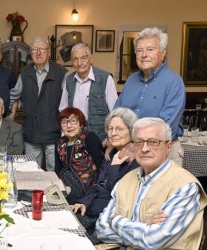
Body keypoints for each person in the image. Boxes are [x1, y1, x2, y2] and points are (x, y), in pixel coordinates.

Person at [95, 117, 207, 250]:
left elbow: (152, 239)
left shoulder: (185, 186)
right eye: (139, 142)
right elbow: (101, 229)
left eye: (153, 142)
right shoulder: (126, 180)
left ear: (168, 146)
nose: (145, 148)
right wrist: (142, 224)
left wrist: (116, 220)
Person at [113, 27, 185, 166]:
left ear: (162, 53)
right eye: (139, 50)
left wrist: (135, 145)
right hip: (129, 152)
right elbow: (117, 114)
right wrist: (114, 138)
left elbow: (165, 124)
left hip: (163, 153)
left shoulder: (174, 82)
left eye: (150, 49)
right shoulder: (131, 80)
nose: (144, 54)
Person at [71, 107, 139, 238]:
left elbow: (121, 196)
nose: (113, 133)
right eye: (110, 129)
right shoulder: (111, 153)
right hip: (91, 212)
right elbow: (98, 185)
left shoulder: (135, 160)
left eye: (119, 129)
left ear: (131, 131)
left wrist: (114, 167)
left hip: (107, 224)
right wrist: (84, 202)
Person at [10, 36, 68, 171]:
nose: (38, 52)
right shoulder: (25, 73)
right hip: (32, 132)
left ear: (48, 52)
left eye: (42, 49)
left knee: (54, 173)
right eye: (34, 49)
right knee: (32, 172)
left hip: (54, 133)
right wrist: (5, 110)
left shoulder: (61, 73)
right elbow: (14, 94)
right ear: (30, 53)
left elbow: (68, 102)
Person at [59, 43, 118, 142]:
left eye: (83, 58)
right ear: (72, 62)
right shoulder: (69, 80)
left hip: (100, 139)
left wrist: (110, 137)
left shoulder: (105, 78)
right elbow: (63, 109)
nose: (79, 63)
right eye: (75, 59)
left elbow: (115, 112)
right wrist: (65, 134)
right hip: (75, 138)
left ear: (91, 59)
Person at [55, 107, 104, 205]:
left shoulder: (89, 138)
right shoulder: (60, 142)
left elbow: (101, 166)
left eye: (73, 121)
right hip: (64, 188)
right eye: (64, 122)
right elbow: (57, 169)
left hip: (86, 189)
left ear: (81, 124)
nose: (69, 126)